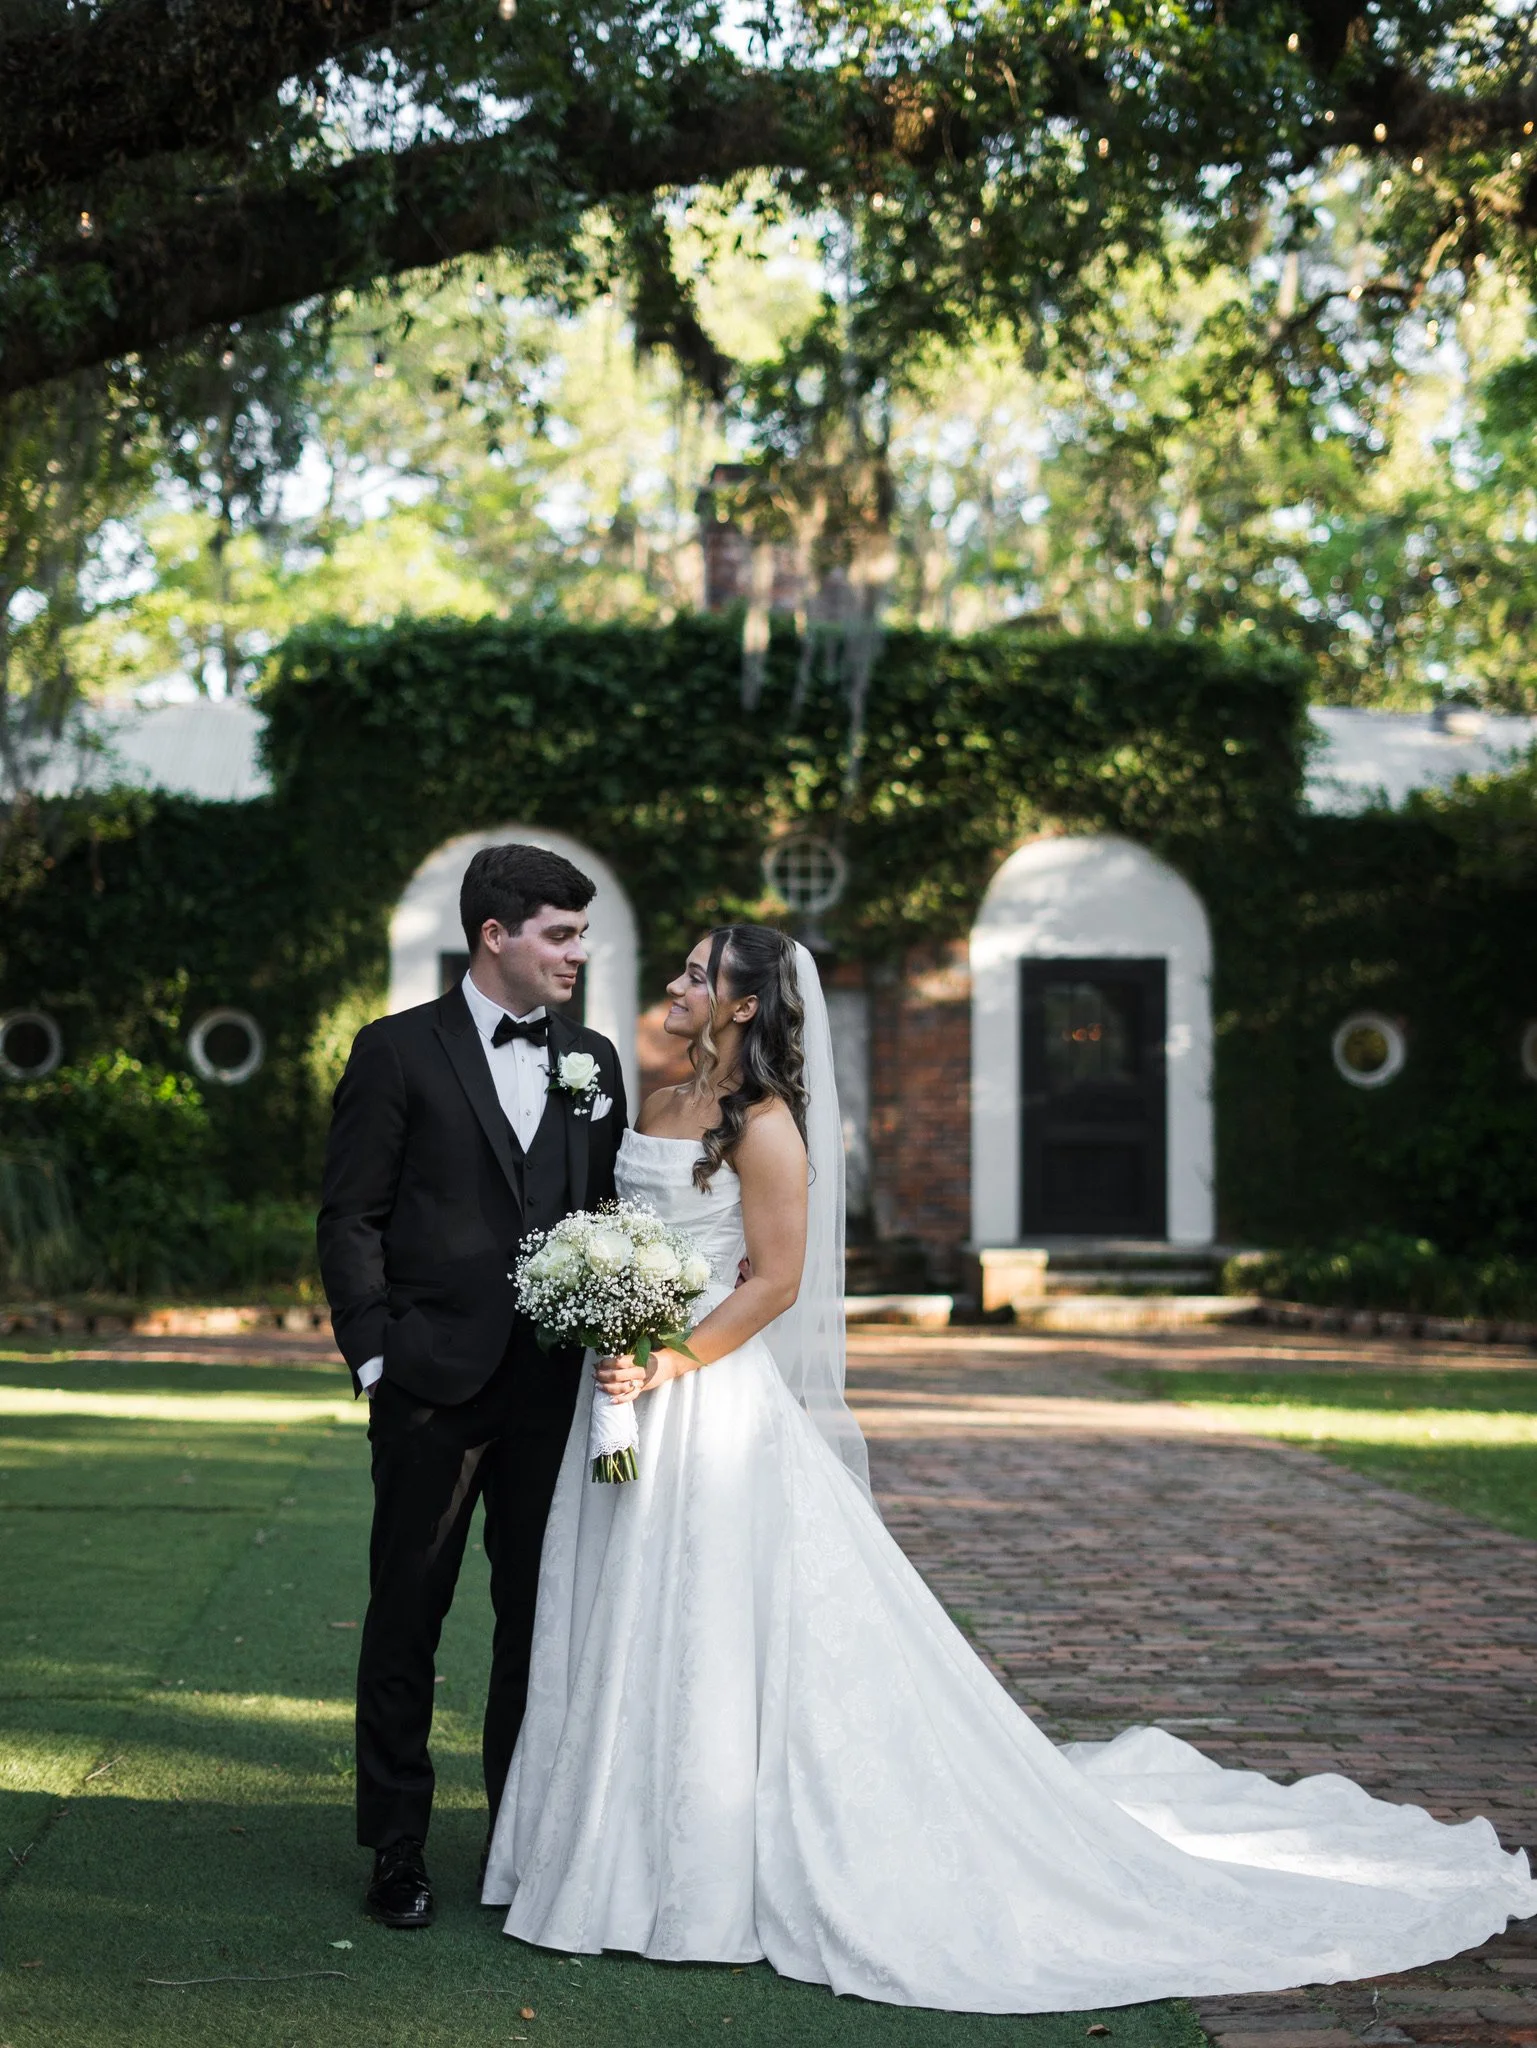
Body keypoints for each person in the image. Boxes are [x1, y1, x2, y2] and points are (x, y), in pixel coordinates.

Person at [482, 923, 1535, 2012]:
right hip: (621, 1391)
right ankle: (603, 1844)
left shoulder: (768, 1126)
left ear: (744, 1005)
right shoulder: (655, 1104)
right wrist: (606, 1309)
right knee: (618, 1606)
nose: (676, 983)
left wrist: (667, 1359)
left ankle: (697, 1868)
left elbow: (777, 1281)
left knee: (709, 1615)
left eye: (699, 973)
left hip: (703, 1398)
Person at [317, 843, 627, 1931]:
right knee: (408, 1610)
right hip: (431, 1386)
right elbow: (349, 1213)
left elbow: (602, 1222)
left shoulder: (592, 1059)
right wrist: (376, 1355)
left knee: (534, 1619)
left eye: (581, 934)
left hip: (555, 1388)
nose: (577, 954)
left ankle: (519, 1835)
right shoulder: (396, 1051)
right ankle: (395, 1844)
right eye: (560, 932)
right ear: (495, 934)